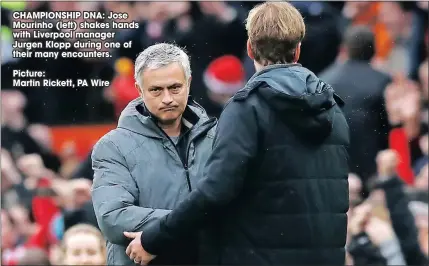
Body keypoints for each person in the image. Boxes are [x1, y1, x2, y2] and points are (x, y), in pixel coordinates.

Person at [124, 2, 350, 265]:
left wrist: (154, 238)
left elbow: (215, 191)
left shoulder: (248, 107)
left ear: (250, 48)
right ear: (297, 49)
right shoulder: (333, 107)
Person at [91, 43, 217, 265]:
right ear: (139, 90)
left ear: (189, 83)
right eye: (156, 90)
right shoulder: (113, 146)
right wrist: (197, 220)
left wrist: (158, 232)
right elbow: (113, 218)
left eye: (175, 87)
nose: (167, 98)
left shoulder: (217, 138)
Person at [320, 25, 391, 183]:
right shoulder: (383, 81)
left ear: (344, 49)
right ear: (374, 50)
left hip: (331, 168)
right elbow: (388, 130)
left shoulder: (323, 80)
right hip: (371, 170)